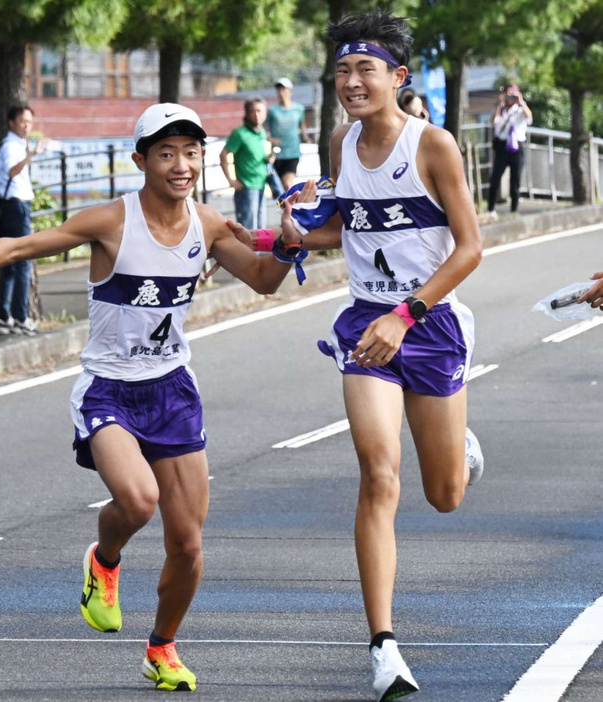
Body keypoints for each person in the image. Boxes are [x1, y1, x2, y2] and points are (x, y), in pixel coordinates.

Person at [0, 103, 306, 693]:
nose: (181, 164)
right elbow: (23, 246)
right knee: (139, 500)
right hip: (109, 390)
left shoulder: (208, 223)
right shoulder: (109, 222)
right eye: (166, 152)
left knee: (189, 543)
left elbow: (264, 279)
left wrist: (291, 243)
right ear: (140, 159)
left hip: (173, 389)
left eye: (192, 152)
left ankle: (162, 648)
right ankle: (105, 557)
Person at [273, 12, 485, 701]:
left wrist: (408, 313)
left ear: (397, 78)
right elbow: (343, 228)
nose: (351, 82)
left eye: (364, 69)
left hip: (427, 322)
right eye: (341, 70)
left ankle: (458, 441)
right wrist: (295, 236)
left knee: (444, 494)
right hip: (366, 324)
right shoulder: (339, 141)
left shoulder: (434, 147)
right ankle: (383, 647)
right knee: (377, 474)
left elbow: (469, 249)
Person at [0, 104, 46, 336]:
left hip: (11, 208)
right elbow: (12, 171)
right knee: (22, 261)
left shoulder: (16, 145)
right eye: (23, 121)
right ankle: (20, 317)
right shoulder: (11, 146)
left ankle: (5, 317)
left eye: (30, 122)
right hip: (16, 208)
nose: (27, 126)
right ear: (11, 122)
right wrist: (31, 154)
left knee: (8, 265)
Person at [220, 98, 271, 230]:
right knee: (248, 230)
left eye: (259, 111)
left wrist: (270, 158)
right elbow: (223, 154)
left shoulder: (261, 132)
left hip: (261, 184)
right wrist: (231, 180)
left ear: (265, 113)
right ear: (246, 113)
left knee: (261, 229)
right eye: (252, 111)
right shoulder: (240, 133)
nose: (256, 115)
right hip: (246, 187)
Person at [487, 84, 533, 219]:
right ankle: (490, 209)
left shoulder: (520, 110)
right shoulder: (500, 110)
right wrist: (498, 104)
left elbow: (529, 117)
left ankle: (514, 210)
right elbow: (492, 122)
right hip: (502, 147)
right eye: (508, 94)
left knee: (515, 180)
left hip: (517, 147)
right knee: (495, 178)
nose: (510, 97)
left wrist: (521, 102)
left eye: (513, 95)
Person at [265, 77, 311, 191]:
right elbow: (263, 130)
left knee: (287, 183)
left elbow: (302, 125)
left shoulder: (298, 109)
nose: (281, 93)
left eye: (284, 89)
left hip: (293, 152)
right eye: (279, 90)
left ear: (290, 91)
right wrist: (270, 139)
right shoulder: (272, 110)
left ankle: (291, 206)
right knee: (279, 188)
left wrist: (306, 137)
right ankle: (286, 207)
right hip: (277, 153)